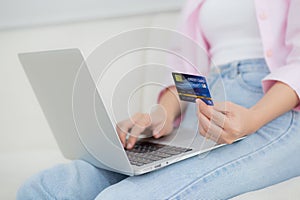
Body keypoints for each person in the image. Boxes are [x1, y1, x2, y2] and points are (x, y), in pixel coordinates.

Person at [17, 0, 300, 199]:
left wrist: (254, 119)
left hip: (275, 106)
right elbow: (191, 72)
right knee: (45, 189)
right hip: (205, 104)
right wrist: (161, 116)